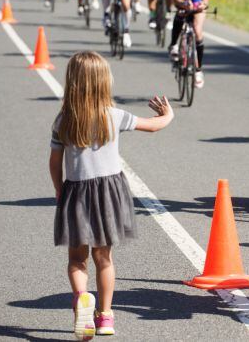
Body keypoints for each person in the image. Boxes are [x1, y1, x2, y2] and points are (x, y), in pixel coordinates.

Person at [49, 51, 173, 339]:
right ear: (104, 83)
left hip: (76, 192)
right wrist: (168, 115)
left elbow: (55, 162)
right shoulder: (113, 115)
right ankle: (105, 317)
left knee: (77, 260)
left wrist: (59, 189)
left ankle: (82, 297)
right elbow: (153, 126)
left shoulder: (63, 120)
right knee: (104, 258)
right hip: (108, 192)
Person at [167, 0, 211, 88]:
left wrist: (200, 6)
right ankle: (174, 44)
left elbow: (205, 0)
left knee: (197, 30)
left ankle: (198, 70)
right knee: (180, 13)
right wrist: (183, 4)